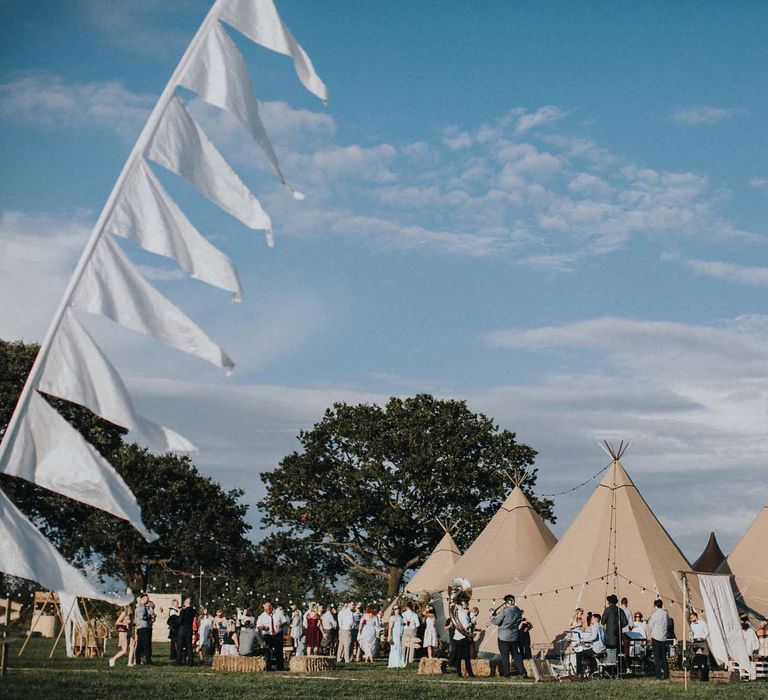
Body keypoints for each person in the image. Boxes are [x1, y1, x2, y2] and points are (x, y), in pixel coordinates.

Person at [492, 594, 527, 678]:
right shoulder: (518, 611)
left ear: (508, 602)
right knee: (516, 655)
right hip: (514, 637)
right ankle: (523, 672)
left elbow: (496, 622)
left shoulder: (505, 611)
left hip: (503, 637)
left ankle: (507, 674)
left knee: (505, 656)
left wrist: (493, 617)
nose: (505, 604)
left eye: (505, 602)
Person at [257, 601, 288, 671]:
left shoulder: (279, 613)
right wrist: (263, 628)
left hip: (277, 634)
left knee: (279, 651)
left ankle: (280, 667)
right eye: (264, 609)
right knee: (267, 651)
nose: (265, 611)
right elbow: (258, 625)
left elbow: (285, 621)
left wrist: (280, 625)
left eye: (267, 609)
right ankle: (268, 667)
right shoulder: (262, 615)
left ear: (271, 607)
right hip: (267, 635)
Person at [601, 594, 627, 670]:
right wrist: (619, 626)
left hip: (609, 635)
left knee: (609, 652)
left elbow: (602, 622)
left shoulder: (607, 610)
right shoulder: (620, 610)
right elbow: (625, 622)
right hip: (618, 635)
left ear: (609, 602)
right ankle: (618, 668)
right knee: (618, 652)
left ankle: (610, 669)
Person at [575, 613, 606, 677]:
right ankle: (592, 670)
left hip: (596, 649)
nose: (591, 620)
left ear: (595, 619)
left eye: (592, 619)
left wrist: (583, 640)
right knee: (589, 655)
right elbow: (604, 637)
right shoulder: (601, 627)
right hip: (602, 648)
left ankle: (579, 673)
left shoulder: (594, 626)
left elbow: (593, 637)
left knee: (578, 654)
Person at [647, 599, 670, 680]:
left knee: (657, 657)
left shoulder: (654, 614)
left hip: (656, 637)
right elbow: (668, 622)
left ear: (655, 606)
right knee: (664, 656)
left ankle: (658, 675)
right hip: (663, 637)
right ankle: (666, 674)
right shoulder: (666, 613)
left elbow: (650, 626)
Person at [452, 601, 474, 677]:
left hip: (456, 636)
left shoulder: (457, 613)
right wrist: (471, 623)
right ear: (464, 605)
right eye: (467, 605)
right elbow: (465, 626)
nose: (468, 606)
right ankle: (470, 673)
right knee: (467, 657)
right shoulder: (463, 614)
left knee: (458, 656)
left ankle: (459, 673)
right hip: (463, 637)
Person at [688, 611, 710, 681]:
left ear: (695, 617)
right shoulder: (691, 625)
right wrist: (691, 638)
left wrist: (703, 637)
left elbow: (707, 632)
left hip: (702, 642)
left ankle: (707, 674)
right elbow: (691, 633)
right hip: (695, 642)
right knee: (693, 656)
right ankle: (695, 674)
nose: (691, 619)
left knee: (706, 656)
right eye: (690, 618)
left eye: (691, 618)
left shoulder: (702, 623)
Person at [176, 596, 197, 666]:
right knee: (189, 647)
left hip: (182, 630)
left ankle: (179, 661)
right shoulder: (193, 611)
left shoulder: (183, 611)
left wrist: (180, 613)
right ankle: (191, 662)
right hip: (189, 630)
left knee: (180, 647)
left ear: (186, 603)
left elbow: (180, 621)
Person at [133, 594, 153, 665]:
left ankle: (138, 660)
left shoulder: (139, 607)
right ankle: (148, 660)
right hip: (144, 627)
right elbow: (142, 616)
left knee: (139, 645)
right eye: (146, 598)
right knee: (146, 644)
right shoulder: (142, 607)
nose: (147, 600)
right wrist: (149, 616)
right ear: (142, 599)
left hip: (139, 627)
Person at [619, 597, 633, 668]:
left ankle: (620, 665)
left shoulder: (618, 611)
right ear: (626, 603)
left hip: (618, 631)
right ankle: (628, 666)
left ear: (621, 603)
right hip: (626, 631)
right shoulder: (628, 611)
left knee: (619, 649)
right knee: (626, 649)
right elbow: (631, 624)